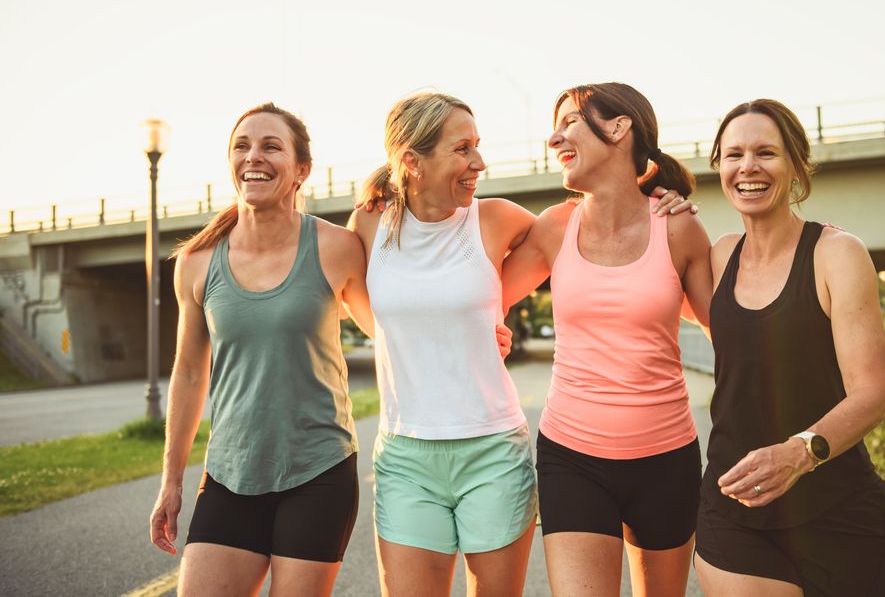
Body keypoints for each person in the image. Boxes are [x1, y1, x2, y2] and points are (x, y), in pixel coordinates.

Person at [350, 91, 694, 597]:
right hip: (411, 454)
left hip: (497, 446)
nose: (478, 163)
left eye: (477, 146)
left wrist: (661, 199)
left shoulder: (501, 219)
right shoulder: (368, 224)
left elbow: (588, 253)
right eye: (462, 148)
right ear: (411, 161)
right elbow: (373, 312)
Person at [148, 103, 374, 596]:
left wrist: (481, 327)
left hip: (319, 471)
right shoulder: (196, 263)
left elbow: (388, 329)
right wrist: (171, 482)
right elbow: (188, 374)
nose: (255, 156)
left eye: (272, 146)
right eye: (242, 146)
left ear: (301, 170)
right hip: (230, 473)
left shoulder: (337, 247)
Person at [500, 82, 712, 596]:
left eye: (569, 120)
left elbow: (729, 331)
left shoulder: (678, 229)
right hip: (572, 458)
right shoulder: (555, 228)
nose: (555, 138)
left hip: (667, 460)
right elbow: (481, 294)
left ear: (619, 128)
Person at [693, 99, 885, 596]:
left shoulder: (836, 254)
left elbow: (873, 392)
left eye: (766, 152)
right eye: (733, 154)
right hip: (733, 508)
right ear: (719, 167)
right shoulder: (720, 255)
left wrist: (799, 453)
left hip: (837, 511)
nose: (748, 167)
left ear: (795, 166)